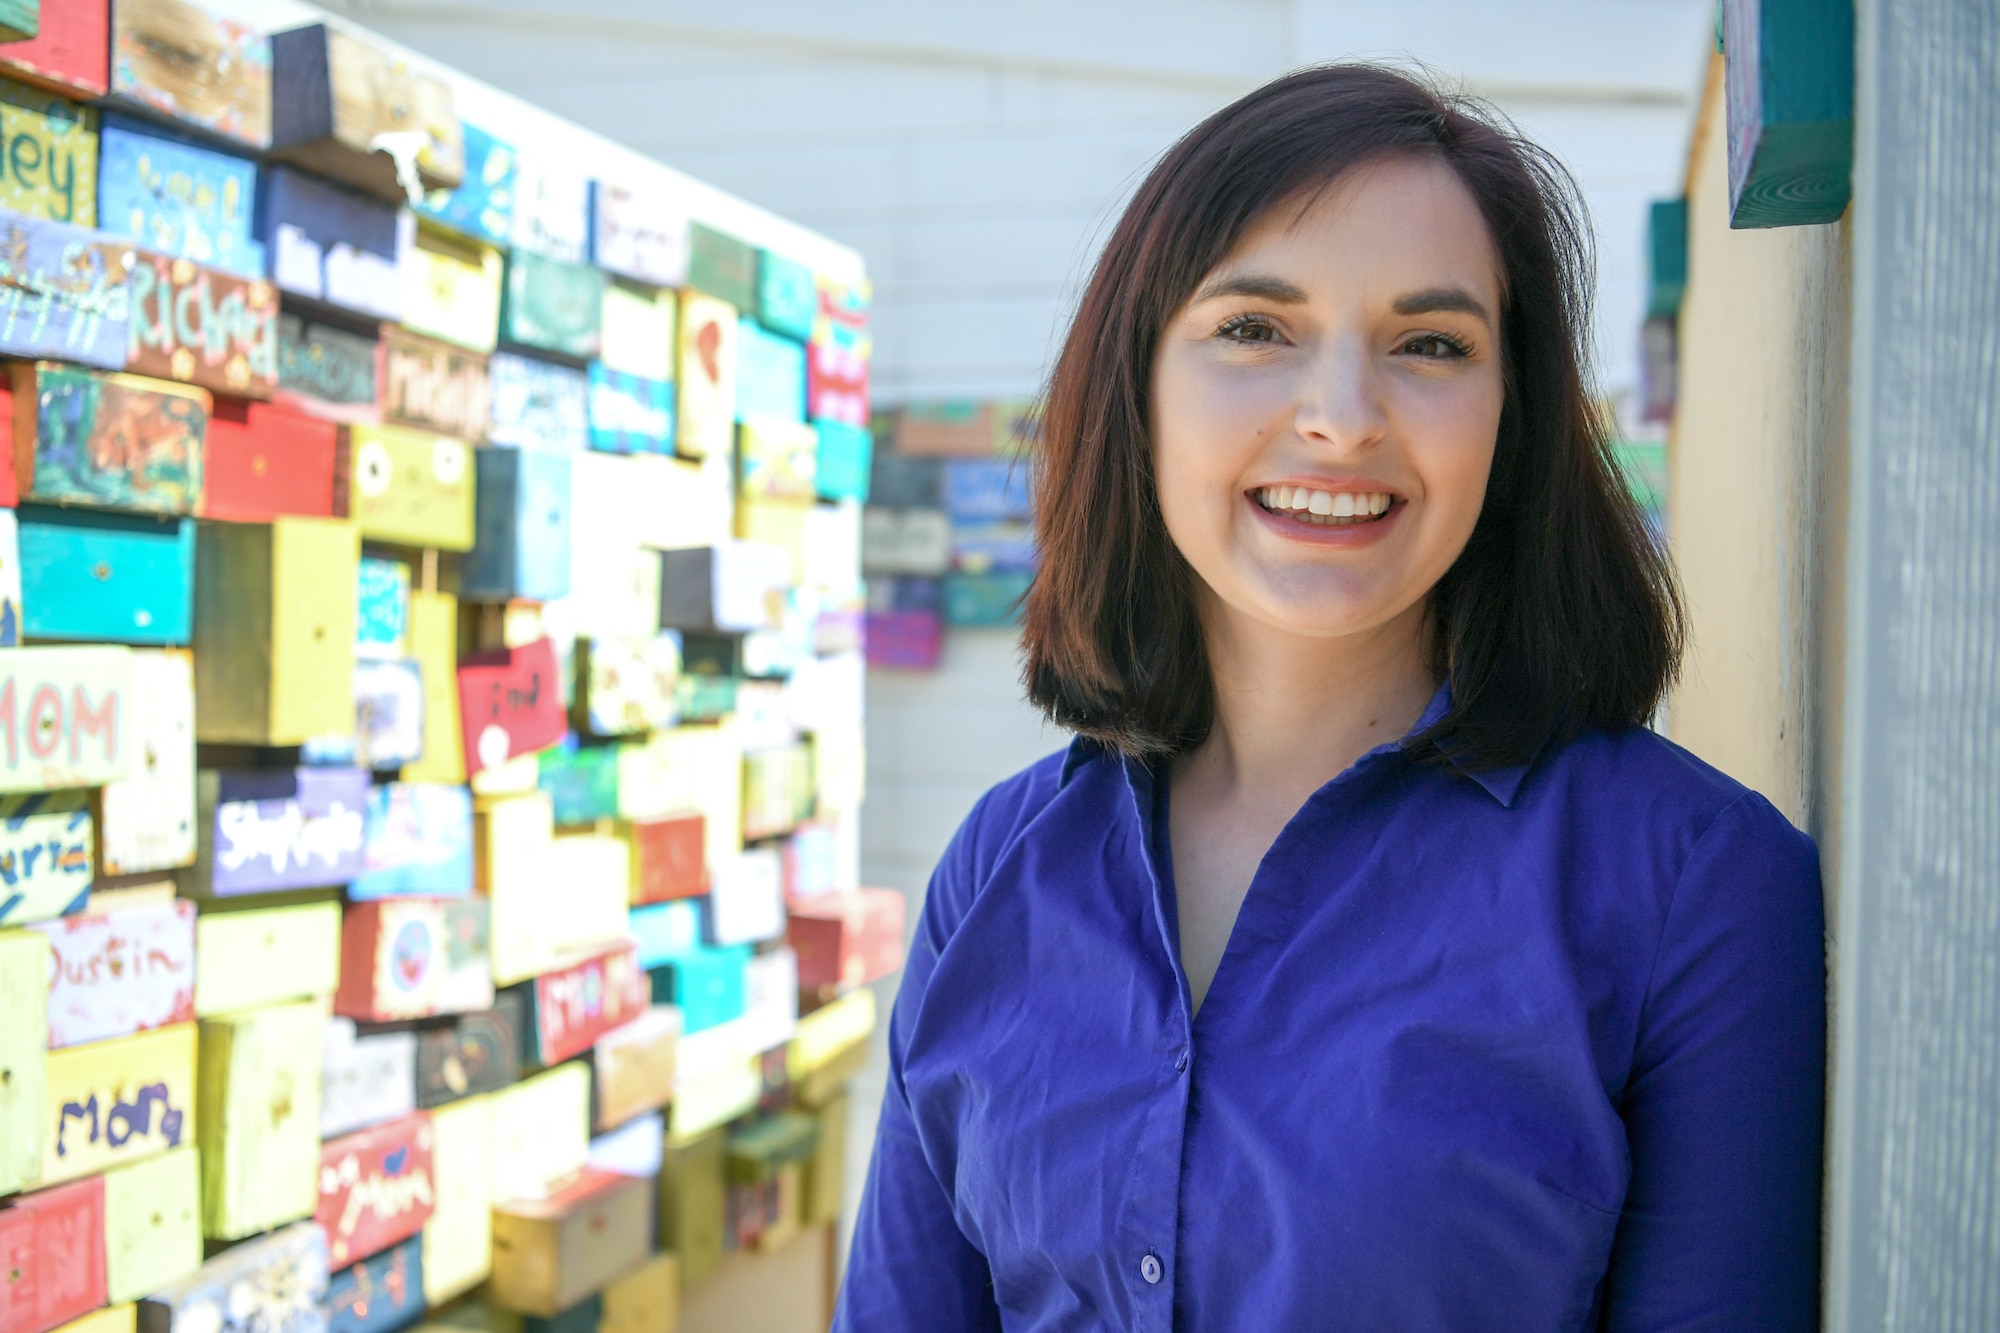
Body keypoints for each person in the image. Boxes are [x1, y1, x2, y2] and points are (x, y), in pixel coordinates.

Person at [834, 64, 1824, 1330]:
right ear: (1136, 389)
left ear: (1510, 419)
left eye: (1430, 344)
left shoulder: (1690, 882)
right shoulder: (996, 868)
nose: (1341, 418)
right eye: (1255, 328)